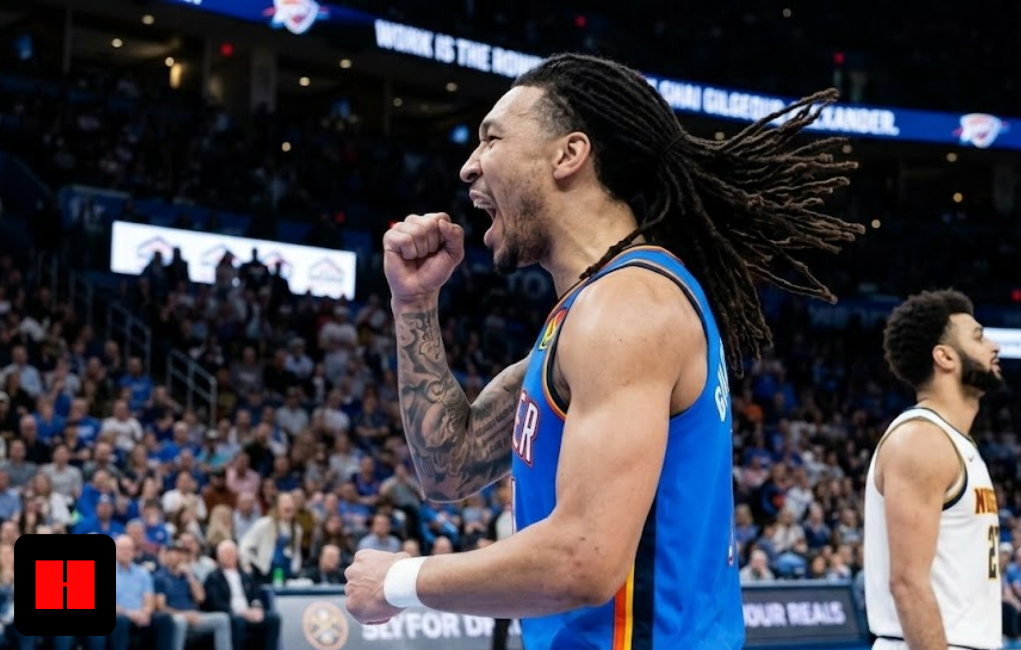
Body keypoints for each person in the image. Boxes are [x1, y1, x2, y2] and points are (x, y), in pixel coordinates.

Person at [344, 52, 862, 649]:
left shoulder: (626, 310)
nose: (468, 167)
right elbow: (449, 467)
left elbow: (582, 559)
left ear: (569, 154)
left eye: (492, 139)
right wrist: (414, 306)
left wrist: (401, 581)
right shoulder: (593, 310)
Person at [864, 290, 1004, 650]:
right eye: (978, 336)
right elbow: (907, 583)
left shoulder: (953, 443)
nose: (994, 346)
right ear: (944, 357)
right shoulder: (921, 441)